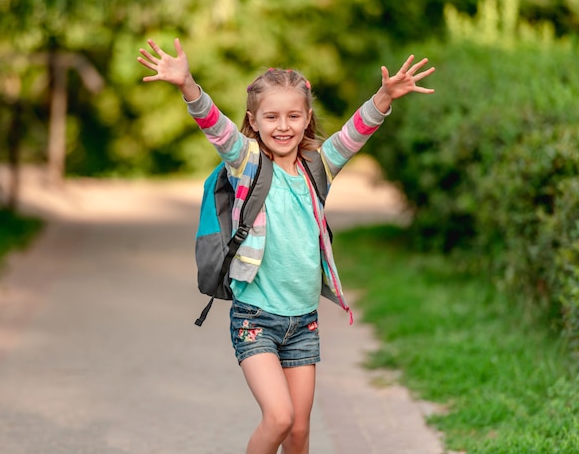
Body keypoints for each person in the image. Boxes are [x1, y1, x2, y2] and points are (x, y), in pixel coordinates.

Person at [137, 38, 435, 454]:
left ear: (307, 118)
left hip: (304, 322)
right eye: (271, 116)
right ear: (253, 121)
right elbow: (213, 125)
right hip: (255, 319)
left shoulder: (318, 168)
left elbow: (354, 134)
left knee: (299, 432)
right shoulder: (247, 163)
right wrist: (187, 84)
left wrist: (384, 97)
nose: (283, 125)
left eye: (294, 115)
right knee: (279, 419)